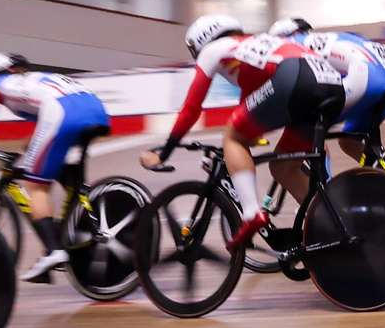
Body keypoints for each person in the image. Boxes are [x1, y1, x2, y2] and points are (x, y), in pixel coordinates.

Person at [143, 14, 346, 244]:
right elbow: (250, 106)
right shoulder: (251, 45)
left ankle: (251, 214)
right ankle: (332, 226)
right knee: (281, 166)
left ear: (203, 40)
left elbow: (191, 108)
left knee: (232, 137)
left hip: (297, 79)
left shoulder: (215, 49)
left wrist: (163, 152)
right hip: (332, 85)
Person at [0, 54, 112, 282]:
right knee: (59, 169)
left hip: (62, 114)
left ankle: (53, 251)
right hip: (97, 112)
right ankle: (74, 216)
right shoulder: (36, 78)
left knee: (36, 186)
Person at [275, 18, 385, 163]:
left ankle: (325, 184)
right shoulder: (326, 39)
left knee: (310, 128)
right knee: (349, 142)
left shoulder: (293, 44)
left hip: (367, 77)